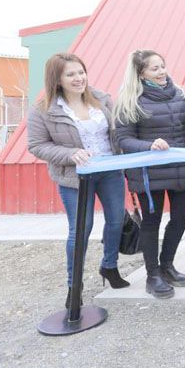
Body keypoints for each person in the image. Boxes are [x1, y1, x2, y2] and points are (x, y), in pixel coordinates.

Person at [27, 53, 128, 308]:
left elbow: (120, 131)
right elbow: (37, 145)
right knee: (81, 228)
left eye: (81, 72)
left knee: (116, 220)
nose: (78, 78)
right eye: (70, 74)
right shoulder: (43, 110)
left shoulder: (102, 99)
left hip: (110, 171)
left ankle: (110, 266)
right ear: (57, 79)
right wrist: (70, 154)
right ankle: (75, 285)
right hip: (75, 177)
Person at [114, 50, 185, 299]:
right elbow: (123, 139)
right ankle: (152, 276)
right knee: (151, 223)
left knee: (181, 217)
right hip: (148, 172)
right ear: (141, 73)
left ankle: (167, 265)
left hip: (181, 168)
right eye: (155, 68)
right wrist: (149, 145)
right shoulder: (129, 100)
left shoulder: (180, 95)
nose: (162, 71)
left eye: (162, 66)